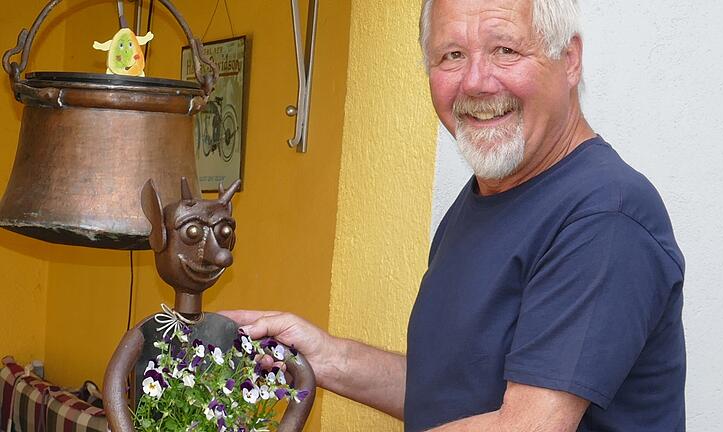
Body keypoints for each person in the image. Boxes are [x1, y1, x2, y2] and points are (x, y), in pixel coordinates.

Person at [222, 0, 686, 430]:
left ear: (569, 59)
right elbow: (449, 392)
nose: (476, 82)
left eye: (504, 50)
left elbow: (524, 426)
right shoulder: (484, 198)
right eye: (452, 56)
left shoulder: (604, 215)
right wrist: (325, 356)